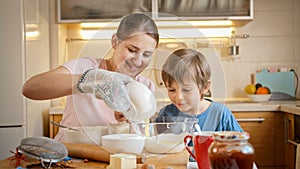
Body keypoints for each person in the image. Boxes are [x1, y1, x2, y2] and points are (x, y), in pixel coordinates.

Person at [22, 13, 159, 141]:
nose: (139, 61)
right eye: (132, 50)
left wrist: (129, 120)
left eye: (146, 55)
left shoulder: (145, 87)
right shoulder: (85, 67)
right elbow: (31, 88)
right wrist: (93, 80)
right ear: (115, 42)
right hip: (70, 158)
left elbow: (141, 137)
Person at [157, 48, 243, 132]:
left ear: (204, 87)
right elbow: (155, 144)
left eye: (186, 90)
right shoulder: (166, 114)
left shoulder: (220, 114)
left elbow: (240, 144)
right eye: (172, 90)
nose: (179, 97)